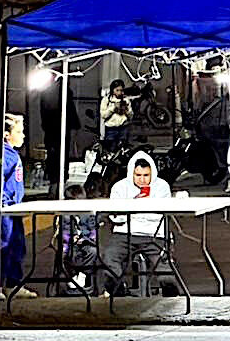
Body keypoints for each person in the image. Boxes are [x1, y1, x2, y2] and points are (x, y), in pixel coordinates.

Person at [100, 152, 172, 297]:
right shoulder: (119, 188)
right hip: (124, 234)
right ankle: (119, 292)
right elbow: (115, 217)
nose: (142, 179)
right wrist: (135, 204)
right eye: (138, 175)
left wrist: (131, 212)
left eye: (146, 175)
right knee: (109, 257)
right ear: (131, 173)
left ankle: (171, 294)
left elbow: (158, 216)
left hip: (154, 234)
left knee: (164, 270)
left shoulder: (162, 186)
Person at [0, 113, 35, 298]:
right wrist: (1, 204)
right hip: (4, 210)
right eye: (19, 132)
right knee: (4, 247)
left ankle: (14, 284)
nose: (23, 136)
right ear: (6, 134)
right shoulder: (1, 156)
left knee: (17, 247)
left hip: (14, 209)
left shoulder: (12, 155)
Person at [39, 77, 80, 196]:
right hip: (58, 129)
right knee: (59, 156)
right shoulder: (61, 92)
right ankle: (57, 183)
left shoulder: (50, 92)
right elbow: (70, 109)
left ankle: (55, 183)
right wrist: (75, 125)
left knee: (56, 156)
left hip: (55, 129)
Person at [61, 184, 100, 294]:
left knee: (93, 251)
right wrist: (71, 238)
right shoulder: (65, 215)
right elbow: (63, 230)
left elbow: (93, 229)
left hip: (87, 242)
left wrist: (88, 238)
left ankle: (83, 274)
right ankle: (73, 275)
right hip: (70, 243)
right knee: (70, 254)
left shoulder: (88, 213)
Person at [100, 79, 132, 144]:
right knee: (111, 147)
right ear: (112, 90)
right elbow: (103, 115)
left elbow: (131, 116)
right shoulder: (106, 100)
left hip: (123, 128)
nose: (119, 93)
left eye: (121, 90)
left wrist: (126, 110)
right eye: (117, 90)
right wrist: (113, 108)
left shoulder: (126, 100)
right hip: (111, 129)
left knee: (123, 146)